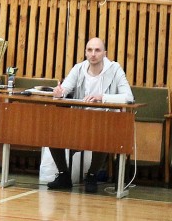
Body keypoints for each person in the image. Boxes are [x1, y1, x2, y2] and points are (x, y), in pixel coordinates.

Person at [47, 37, 134, 193]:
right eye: (90, 50)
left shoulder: (115, 69)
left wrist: (102, 97)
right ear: (86, 53)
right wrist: (59, 93)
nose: (93, 54)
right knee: (52, 132)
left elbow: (129, 97)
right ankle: (64, 175)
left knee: (103, 134)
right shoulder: (79, 68)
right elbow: (64, 89)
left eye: (97, 50)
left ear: (104, 53)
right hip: (79, 120)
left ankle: (92, 175)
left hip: (105, 121)